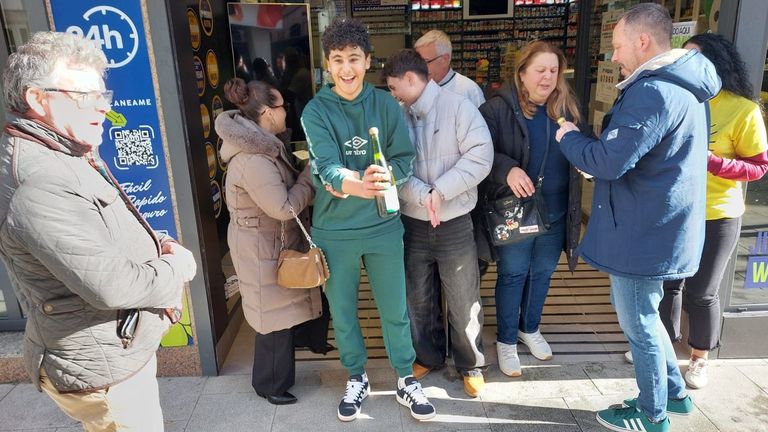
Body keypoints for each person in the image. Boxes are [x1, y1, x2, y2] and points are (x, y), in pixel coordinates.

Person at [0, 32, 197, 431]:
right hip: (104, 368)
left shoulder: (62, 151)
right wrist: (178, 268)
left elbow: (101, 233)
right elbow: (113, 286)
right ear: (38, 99)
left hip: (113, 351)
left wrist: (157, 244)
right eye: (84, 96)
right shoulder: (39, 181)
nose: (102, 108)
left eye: (102, 95)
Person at [555, 4, 721, 432]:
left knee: (639, 322)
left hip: (642, 233)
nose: (613, 56)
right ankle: (676, 396)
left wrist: (570, 139)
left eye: (618, 46)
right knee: (646, 314)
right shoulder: (686, 85)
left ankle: (652, 414)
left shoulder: (653, 91)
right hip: (662, 225)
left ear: (643, 42)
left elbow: (610, 162)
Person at [300, 18, 436, 422]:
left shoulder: (385, 104)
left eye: (354, 59)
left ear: (368, 61)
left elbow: (403, 158)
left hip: (382, 228)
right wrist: (361, 183)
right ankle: (356, 376)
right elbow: (325, 167)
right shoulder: (315, 110)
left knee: (394, 307)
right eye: (338, 60)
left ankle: (404, 377)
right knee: (342, 311)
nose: (346, 68)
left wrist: (388, 175)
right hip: (334, 231)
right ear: (327, 64)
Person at [654, 33, 767, 389]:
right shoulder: (675, 99)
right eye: (682, 59)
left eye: (696, 58)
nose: (687, 66)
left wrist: (713, 163)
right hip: (676, 209)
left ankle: (700, 358)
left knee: (702, 292)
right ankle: (662, 349)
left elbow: (758, 167)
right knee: (669, 285)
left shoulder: (742, 108)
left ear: (717, 62)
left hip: (719, 213)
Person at [381, 49, 493, 398]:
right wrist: (424, 194)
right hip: (413, 220)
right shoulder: (397, 116)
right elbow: (392, 167)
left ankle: (469, 362)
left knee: (463, 298)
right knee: (418, 297)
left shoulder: (460, 107)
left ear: (411, 79)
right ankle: (427, 355)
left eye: (394, 86)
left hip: (455, 220)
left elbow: (481, 156)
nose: (392, 94)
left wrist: (441, 191)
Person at [216, 77, 330, 406]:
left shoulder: (262, 146)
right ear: (266, 112)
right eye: (282, 108)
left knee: (276, 316)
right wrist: (310, 174)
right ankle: (272, 386)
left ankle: (270, 381)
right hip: (261, 247)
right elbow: (283, 207)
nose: (286, 113)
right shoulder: (253, 158)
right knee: (273, 320)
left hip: (266, 243)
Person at [477, 41, 583, 378]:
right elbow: (479, 154)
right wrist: (507, 169)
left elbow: (583, 149)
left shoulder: (566, 107)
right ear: (522, 73)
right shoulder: (497, 109)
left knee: (543, 272)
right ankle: (507, 340)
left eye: (554, 70)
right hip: (516, 211)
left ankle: (529, 327)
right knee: (513, 273)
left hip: (556, 210)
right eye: (540, 70)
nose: (548, 77)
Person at [414, 30, 485, 108]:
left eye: (426, 61)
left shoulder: (469, 90)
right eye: (417, 62)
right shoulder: (414, 88)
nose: (419, 67)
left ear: (444, 59)